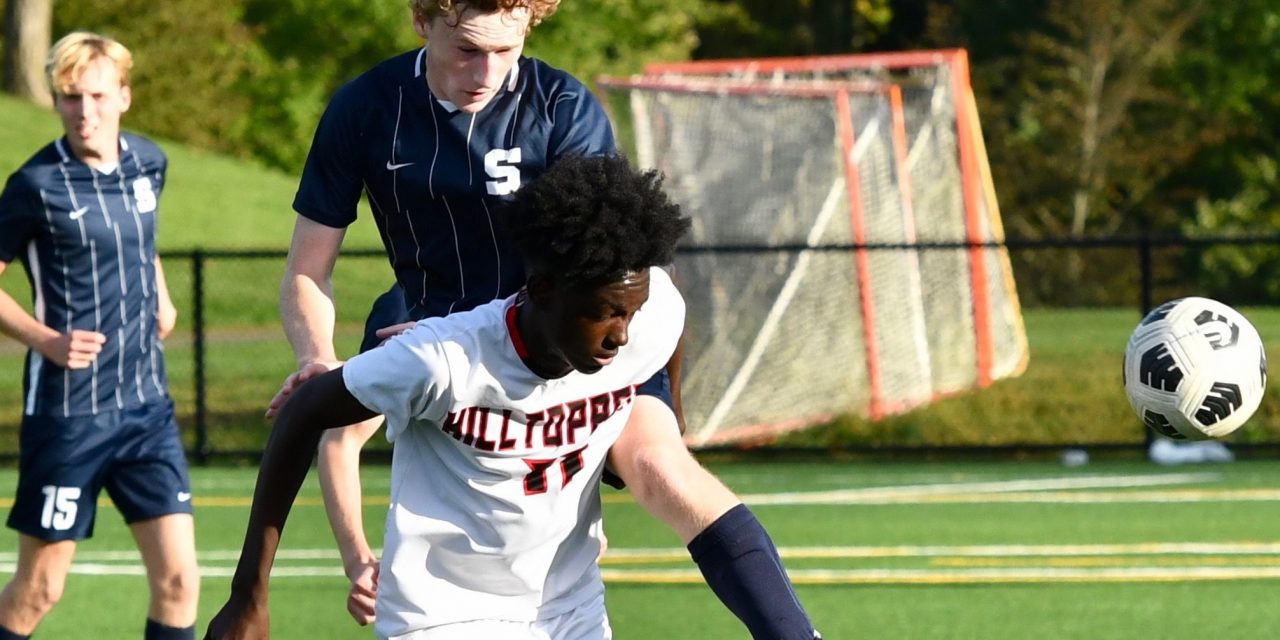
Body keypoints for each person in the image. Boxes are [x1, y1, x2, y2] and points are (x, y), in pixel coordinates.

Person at [265, 0, 754, 630]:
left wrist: (622, 431)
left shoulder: (562, 108)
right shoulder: (366, 108)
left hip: (567, 337)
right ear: (422, 22)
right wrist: (316, 359)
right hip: (441, 336)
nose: (486, 71)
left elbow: (603, 263)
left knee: (662, 468)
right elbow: (308, 269)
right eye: (467, 48)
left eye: (506, 49)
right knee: (343, 425)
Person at [208, 155, 820, 640]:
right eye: (605, 313)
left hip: (569, 613)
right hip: (442, 617)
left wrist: (666, 417)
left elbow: (665, 319)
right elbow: (307, 412)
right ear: (544, 291)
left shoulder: (643, 315)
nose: (622, 335)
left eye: (631, 312)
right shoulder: (442, 358)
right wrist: (248, 598)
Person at [0, 32, 199, 640]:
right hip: (70, 414)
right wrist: (43, 340)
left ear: (124, 96)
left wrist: (160, 294)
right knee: (40, 590)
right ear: (57, 102)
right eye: (69, 97)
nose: (84, 110)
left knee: (179, 582)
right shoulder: (34, 185)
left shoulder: (149, 162)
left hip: (147, 410)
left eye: (96, 95)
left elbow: (142, 239)